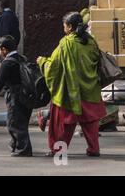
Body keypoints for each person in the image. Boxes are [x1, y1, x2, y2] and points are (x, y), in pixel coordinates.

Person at [37, 12, 106, 157]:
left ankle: (59, 150)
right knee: (90, 123)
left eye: (64, 25)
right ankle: (94, 149)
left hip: (70, 90)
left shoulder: (66, 43)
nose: (63, 28)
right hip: (90, 89)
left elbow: (54, 65)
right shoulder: (91, 42)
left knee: (63, 123)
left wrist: (42, 61)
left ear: (69, 27)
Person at [0, 35, 33, 156]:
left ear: (4, 49)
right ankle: (16, 144)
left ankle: (24, 149)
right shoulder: (22, 58)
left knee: (14, 123)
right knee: (20, 121)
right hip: (26, 95)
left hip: (15, 96)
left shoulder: (7, 63)